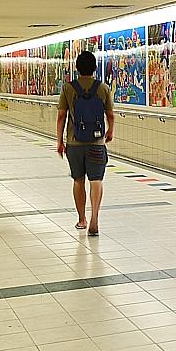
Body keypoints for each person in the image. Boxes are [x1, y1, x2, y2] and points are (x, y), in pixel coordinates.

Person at [56, 50, 114, 235]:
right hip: (97, 142)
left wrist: (59, 140)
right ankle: (95, 215)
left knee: (78, 180)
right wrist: (110, 130)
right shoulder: (103, 88)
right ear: (95, 68)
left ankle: (82, 219)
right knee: (96, 180)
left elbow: (61, 116)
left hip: (74, 143)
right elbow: (110, 114)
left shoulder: (68, 88)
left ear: (77, 67)